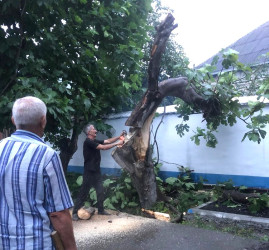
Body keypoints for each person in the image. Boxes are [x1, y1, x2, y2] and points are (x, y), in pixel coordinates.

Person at [0, 96, 77, 250]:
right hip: (35, 244)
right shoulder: (47, 155)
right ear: (43, 120)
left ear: (13, 120)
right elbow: (58, 214)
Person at [72, 124, 124, 220]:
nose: (96, 130)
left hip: (96, 171)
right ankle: (75, 213)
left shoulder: (93, 141)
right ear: (89, 132)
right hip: (89, 172)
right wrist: (118, 143)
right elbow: (103, 147)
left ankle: (100, 210)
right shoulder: (88, 142)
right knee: (83, 192)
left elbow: (107, 141)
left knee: (100, 191)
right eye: (93, 129)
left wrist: (118, 137)